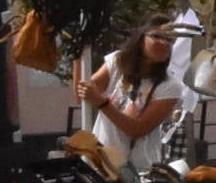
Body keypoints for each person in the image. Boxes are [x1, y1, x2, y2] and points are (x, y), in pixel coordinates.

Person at [77, 17, 184, 172]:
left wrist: (101, 102)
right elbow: (81, 94)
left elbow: (137, 129)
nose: (164, 43)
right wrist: (77, 56)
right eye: (157, 36)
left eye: (169, 39)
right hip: (99, 163)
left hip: (136, 171)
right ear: (141, 38)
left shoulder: (170, 85)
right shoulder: (117, 62)